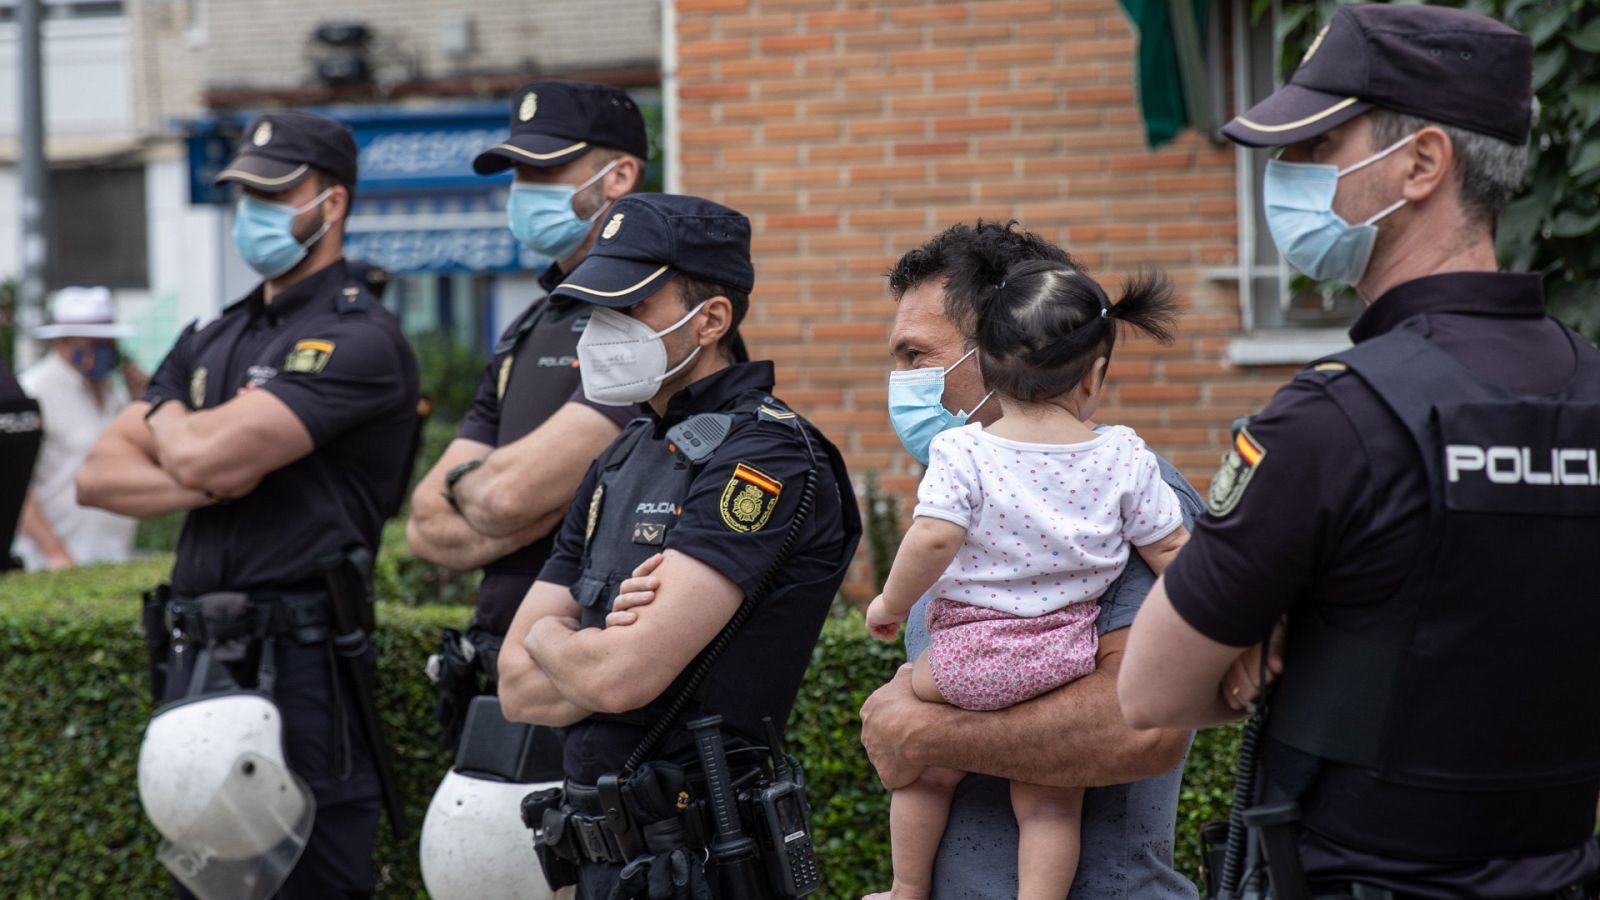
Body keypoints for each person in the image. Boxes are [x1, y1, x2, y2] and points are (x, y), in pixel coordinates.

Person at [1117, 6, 1600, 898]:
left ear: (1421, 164)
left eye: (1315, 147)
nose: (1284, 174)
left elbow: (1149, 690)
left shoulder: (1334, 419)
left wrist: (1274, 647)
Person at [76, 109, 420, 900]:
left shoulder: (356, 338)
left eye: (274, 192)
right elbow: (97, 474)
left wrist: (168, 417)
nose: (252, 211)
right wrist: (209, 468)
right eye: (243, 193)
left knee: (312, 880)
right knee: (211, 883)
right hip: (197, 657)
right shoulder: (216, 334)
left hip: (300, 663)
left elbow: (196, 450)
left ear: (330, 205)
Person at [496, 193, 860, 900]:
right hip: (605, 865)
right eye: (598, 311)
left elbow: (617, 680)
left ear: (713, 319)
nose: (603, 331)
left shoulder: (767, 455)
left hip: (703, 862)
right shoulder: (624, 453)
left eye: (628, 309)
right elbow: (514, 688)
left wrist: (553, 636)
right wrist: (575, 644)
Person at [857, 221, 1203, 899]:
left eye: (916, 356)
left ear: (994, 350)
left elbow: (1141, 730)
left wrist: (922, 730)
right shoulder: (966, 498)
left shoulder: (1134, 488)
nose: (900, 383)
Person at [405, 80, 650, 745]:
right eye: (519, 171)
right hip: (502, 674)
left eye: (544, 169)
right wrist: (518, 497)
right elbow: (425, 524)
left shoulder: (647, 321)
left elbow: (510, 495)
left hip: (587, 684)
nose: (524, 188)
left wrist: (492, 491)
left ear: (619, 175)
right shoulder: (527, 326)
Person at [13, 286, 146, 570]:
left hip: (114, 554)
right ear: (64, 340)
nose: (105, 351)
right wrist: (54, 552)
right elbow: (16, 483)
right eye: (93, 341)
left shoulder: (114, 391)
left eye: (109, 342)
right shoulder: (34, 391)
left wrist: (145, 399)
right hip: (53, 563)